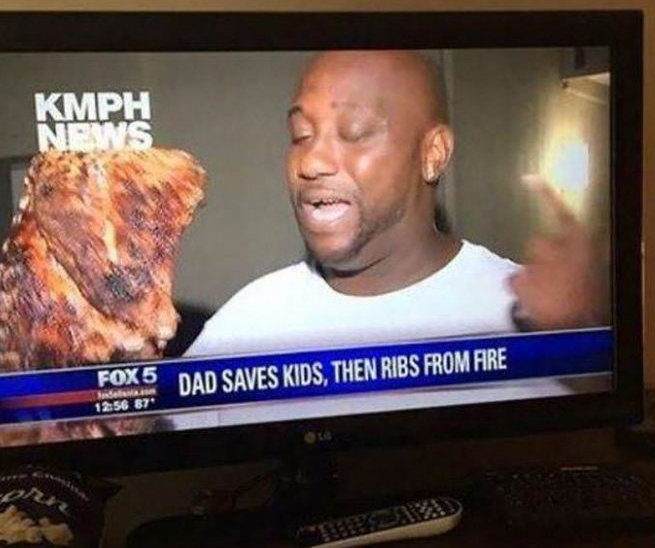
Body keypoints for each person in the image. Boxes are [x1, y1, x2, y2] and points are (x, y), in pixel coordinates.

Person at [185, 50, 605, 358]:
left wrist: (581, 340)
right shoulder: (243, 326)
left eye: (354, 131)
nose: (310, 163)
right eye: (300, 135)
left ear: (433, 154)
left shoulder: (535, 317)